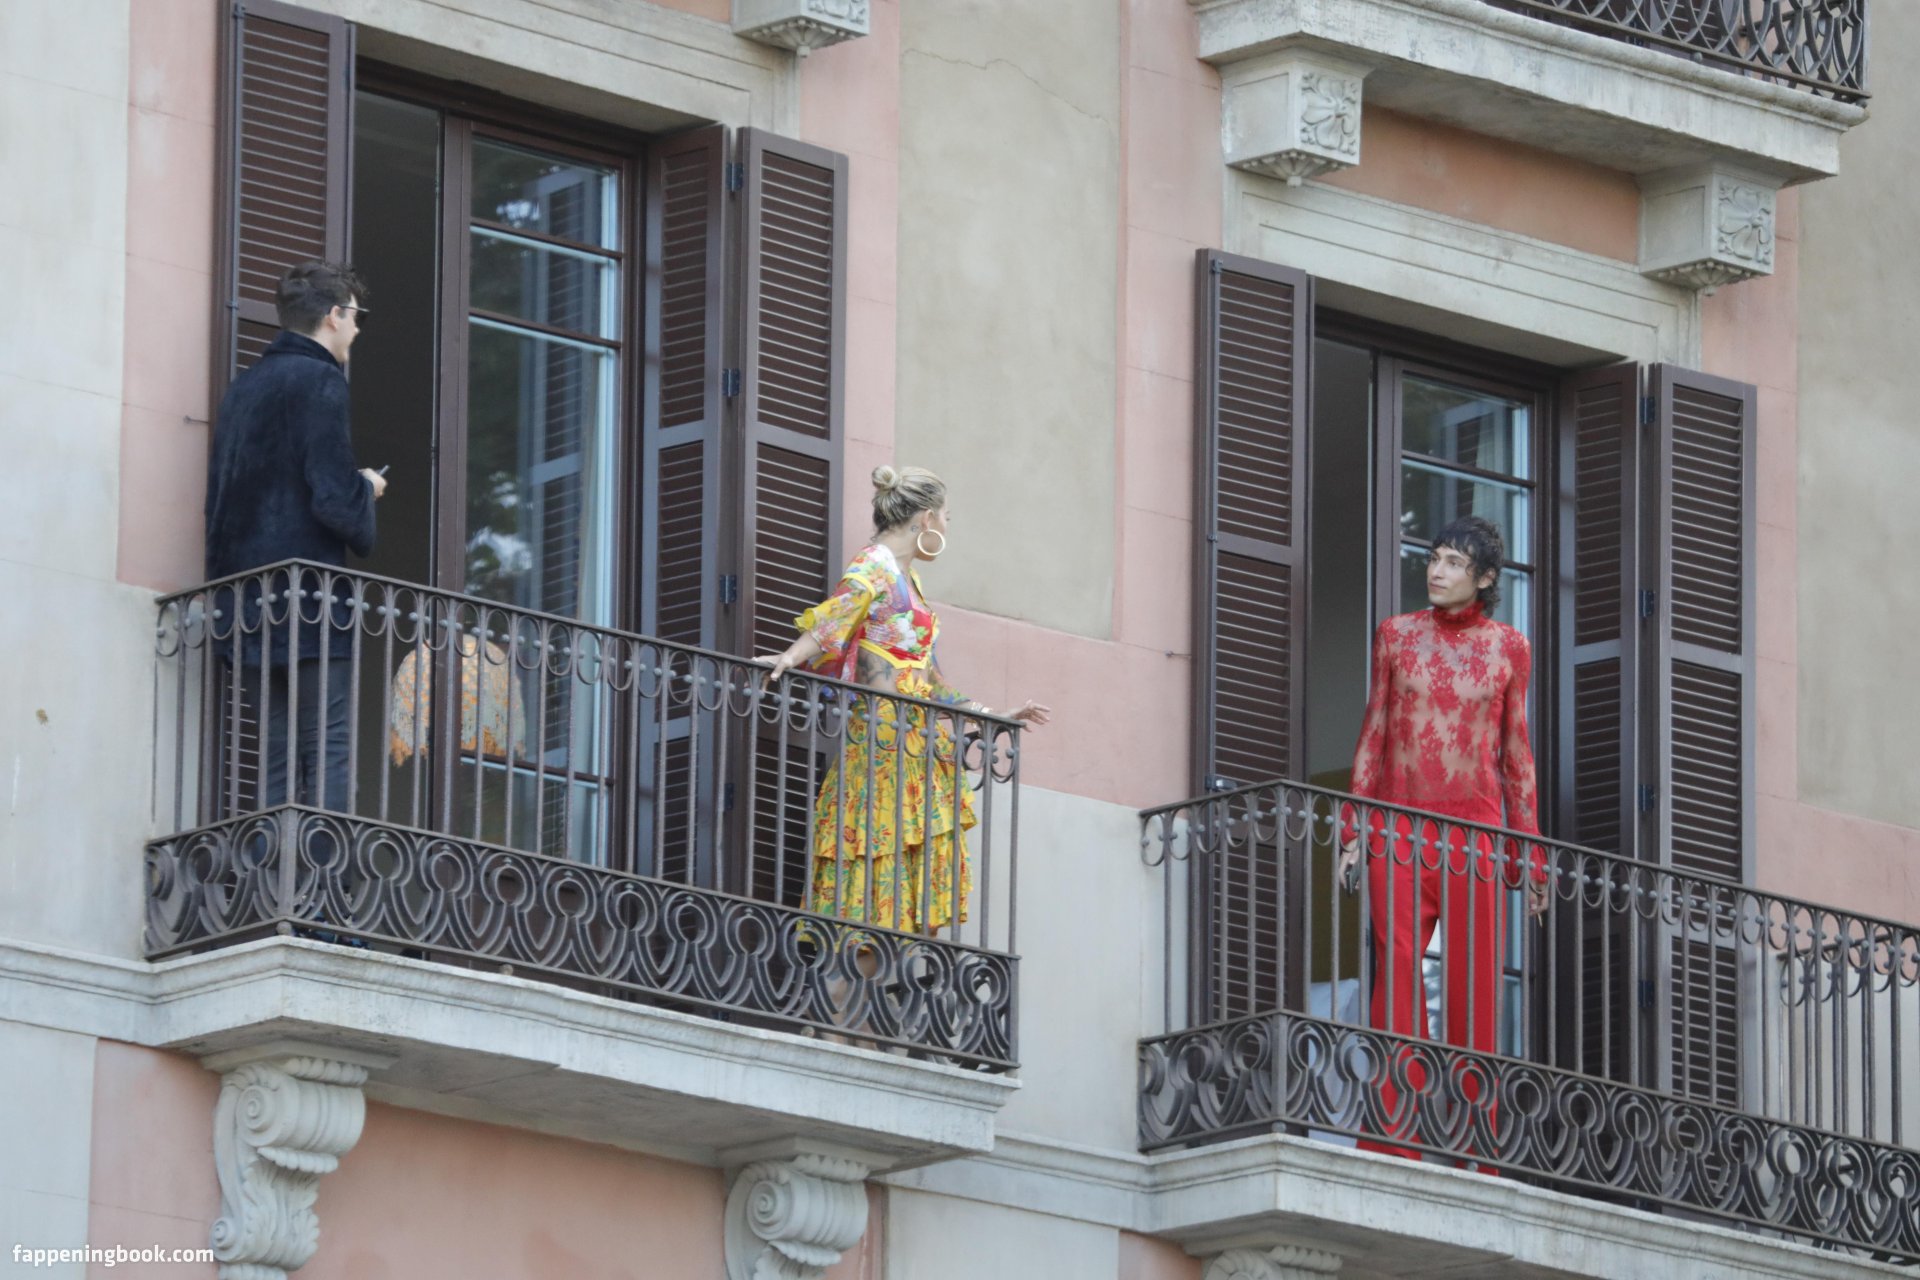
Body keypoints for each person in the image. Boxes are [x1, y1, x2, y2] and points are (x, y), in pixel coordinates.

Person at [1335, 515, 1546, 1162]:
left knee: (1473, 983)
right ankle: (1392, 1138)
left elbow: (1517, 755)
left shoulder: (1510, 648)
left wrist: (1531, 859)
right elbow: (1374, 732)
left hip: (1475, 836)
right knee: (1396, 974)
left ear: (1484, 578)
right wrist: (1353, 829)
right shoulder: (1395, 635)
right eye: (1434, 558)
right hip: (1398, 827)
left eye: (1454, 562)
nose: (1436, 571)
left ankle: (1474, 1146)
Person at [761, 465, 1050, 935]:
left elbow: (929, 676)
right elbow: (835, 618)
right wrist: (790, 657)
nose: (948, 526)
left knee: (910, 899)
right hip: (882, 746)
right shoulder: (873, 566)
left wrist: (988, 714)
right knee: (875, 894)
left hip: (915, 746)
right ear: (928, 518)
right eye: (948, 517)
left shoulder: (908, 579)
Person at [204, 260, 386, 813]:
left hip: (244, 599)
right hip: (307, 598)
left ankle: (267, 855)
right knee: (328, 742)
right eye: (355, 316)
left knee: (275, 752)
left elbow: (226, 494)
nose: (357, 328)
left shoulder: (244, 388)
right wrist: (366, 488)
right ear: (333, 315)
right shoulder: (320, 380)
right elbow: (332, 497)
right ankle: (326, 866)